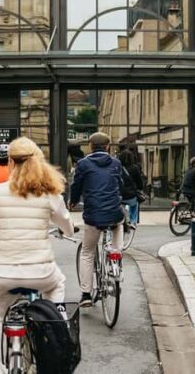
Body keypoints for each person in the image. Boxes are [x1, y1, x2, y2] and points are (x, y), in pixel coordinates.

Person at [0, 137, 74, 374]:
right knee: (58, 283)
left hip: (2, 274)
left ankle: (0, 369)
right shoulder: (49, 193)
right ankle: (55, 329)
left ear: (10, 161)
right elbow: (67, 225)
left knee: (3, 319)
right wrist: (67, 229)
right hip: (41, 272)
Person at [69, 132, 125, 308]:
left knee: (87, 251)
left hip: (93, 215)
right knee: (118, 228)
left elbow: (76, 185)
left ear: (90, 147)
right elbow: (120, 185)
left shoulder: (83, 164)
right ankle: (116, 260)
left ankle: (86, 294)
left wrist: (73, 200)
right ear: (108, 147)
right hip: (114, 213)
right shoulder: (116, 163)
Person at [119, 149, 144, 227]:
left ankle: (120, 220)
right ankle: (133, 221)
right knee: (134, 204)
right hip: (131, 196)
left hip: (120, 196)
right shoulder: (135, 167)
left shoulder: (117, 167)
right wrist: (140, 188)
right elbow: (139, 183)